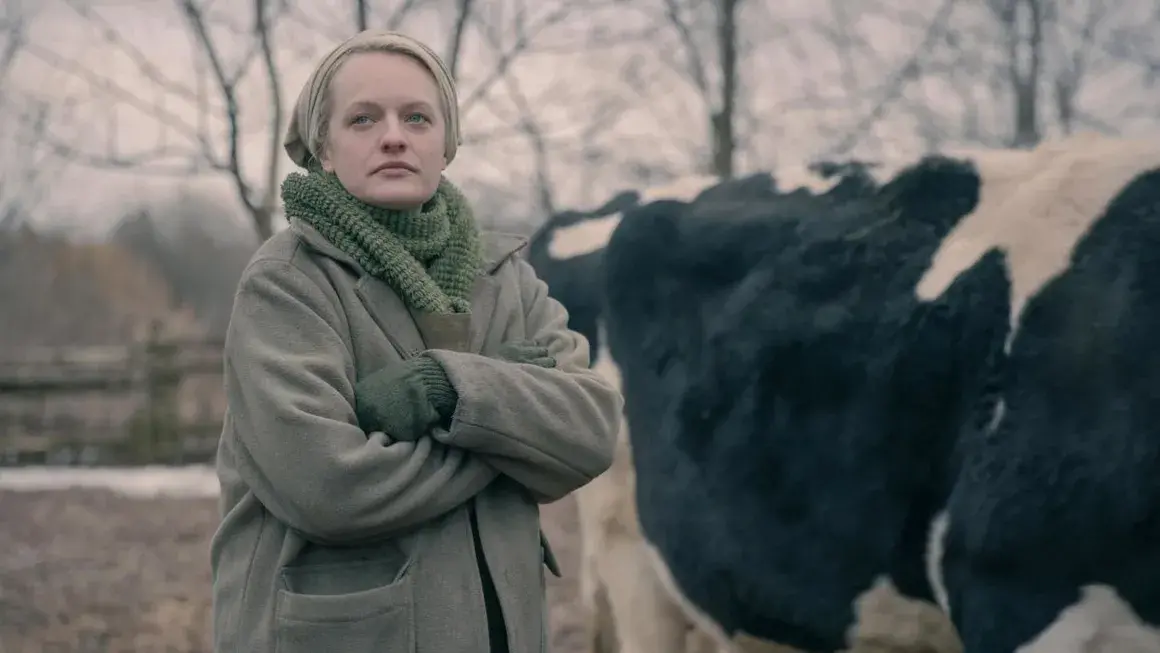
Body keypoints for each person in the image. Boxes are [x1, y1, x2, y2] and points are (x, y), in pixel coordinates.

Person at [208, 29, 622, 653]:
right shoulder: (287, 282)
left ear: (446, 144)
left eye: (417, 117)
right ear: (325, 149)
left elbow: (590, 430)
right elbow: (329, 488)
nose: (394, 136)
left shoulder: (505, 277)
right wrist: (513, 432)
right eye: (363, 118)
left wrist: (442, 390)